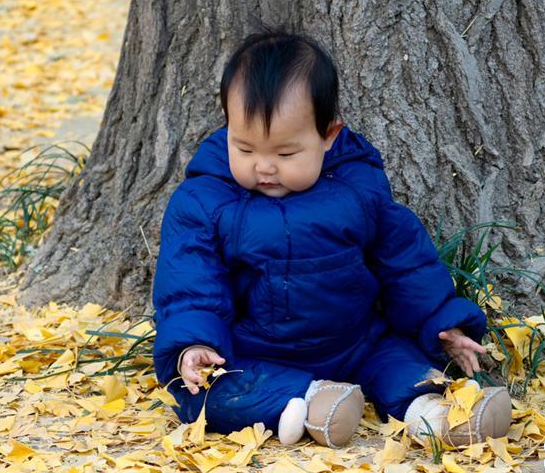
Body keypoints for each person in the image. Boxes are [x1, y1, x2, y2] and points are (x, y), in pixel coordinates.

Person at [151, 25, 510, 448]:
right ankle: (310, 401)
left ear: (328, 136)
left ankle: (434, 415)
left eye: (285, 154)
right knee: (203, 394)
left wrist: (443, 323)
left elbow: (406, 265)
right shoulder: (204, 200)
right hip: (254, 353)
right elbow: (190, 281)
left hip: (357, 341)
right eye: (245, 149)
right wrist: (194, 342)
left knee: (403, 366)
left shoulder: (357, 190)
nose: (263, 167)